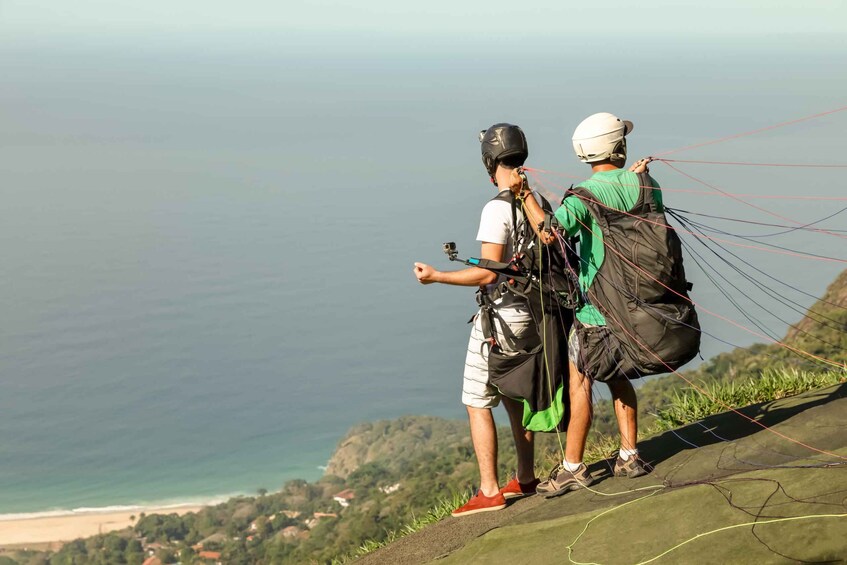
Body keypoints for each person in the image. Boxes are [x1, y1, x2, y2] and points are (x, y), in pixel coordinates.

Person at [519, 113, 656, 497]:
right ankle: (630, 455)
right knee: (618, 376)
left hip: (596, 309)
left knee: (581, 381)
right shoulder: (648, 183)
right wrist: (635, 174)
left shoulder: (582, 197)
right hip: (635, 304)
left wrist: (524, 194)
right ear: (619, 146)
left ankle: (573, 467)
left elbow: (549, 233)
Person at [413, 123, 542, 516]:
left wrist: (437, 276)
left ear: (489, 160)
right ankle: (524, 476)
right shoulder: (537, 202)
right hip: (533, 314)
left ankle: (489, 491)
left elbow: (489, 272)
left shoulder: (497, 208)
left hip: (501, 318)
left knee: (476, 400)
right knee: (510, 393)